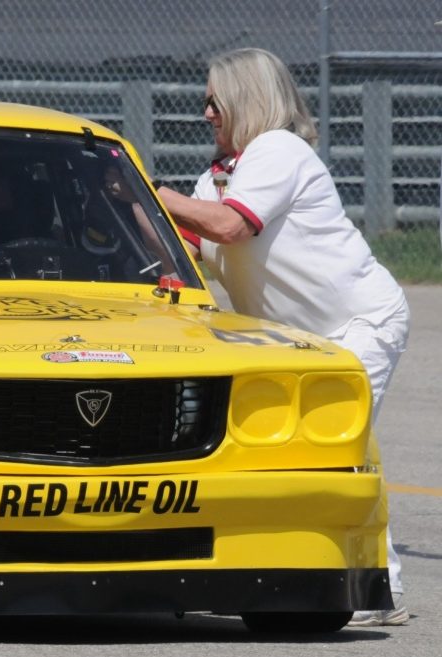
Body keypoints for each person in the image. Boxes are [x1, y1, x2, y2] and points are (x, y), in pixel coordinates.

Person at [156, 47, 411, 627]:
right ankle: (361, 580)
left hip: (360, 322)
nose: (205, 114)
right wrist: (127, 206)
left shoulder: (278, 152)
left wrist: (159, 196)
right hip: (302, 345)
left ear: (245, 100)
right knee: (325, 452)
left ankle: (372, 587)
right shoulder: (212, 179)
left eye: (214, 101)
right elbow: (184, 260)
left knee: (337, 451)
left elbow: (231, 226)